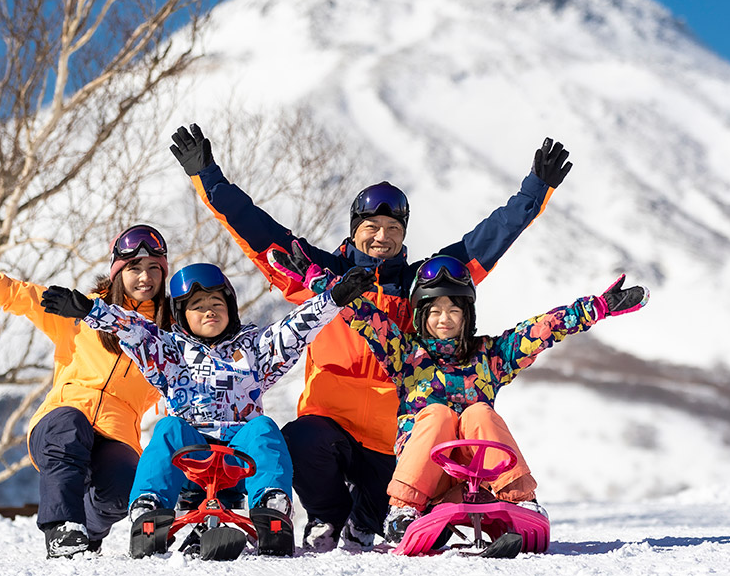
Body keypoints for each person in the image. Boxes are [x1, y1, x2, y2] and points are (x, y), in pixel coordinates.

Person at [167, 122, 573, 550]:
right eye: (372, 227)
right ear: (355, 228)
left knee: (397, 497)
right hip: (329, 423)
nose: (382, 237)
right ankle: (327, 518)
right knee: (300, 440)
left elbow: (490, 239)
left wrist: (535, 189)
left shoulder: (424, 286)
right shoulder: (320, 276)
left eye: (393, 229)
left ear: (403, 236)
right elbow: (255, 230)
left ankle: (367, 519)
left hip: (394, 440)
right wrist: (207, 176)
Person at [272, 249, 648, 542]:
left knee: (478, 414)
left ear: (467, 315)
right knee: (436, 415)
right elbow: (363, 314)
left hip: (480, 479)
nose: (444, 318)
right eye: (434, 311)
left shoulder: (490, 356)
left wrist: (596, 308)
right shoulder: (406, 355)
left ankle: (521, 503)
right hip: (426, 480)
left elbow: (540, 331)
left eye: (454, 309)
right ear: (421, 317)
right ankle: (402, 512)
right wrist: (315, 278)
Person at [38, 262, 377, 556]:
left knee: (264, 428)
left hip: (240, 457)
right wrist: (91, 311)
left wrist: (333, 299)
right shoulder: (169, 352)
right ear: (182, 316)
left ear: (231, 308)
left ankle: (271, 507)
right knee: (168, 428)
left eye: (217, 303)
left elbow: (294, 328)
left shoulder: (254, 348)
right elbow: (133, 331)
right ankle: (149, 509)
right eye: (198, 306)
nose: (209, 310)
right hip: (190, 455)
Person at [0, 225, 171, 559]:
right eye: (134, 268)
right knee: (70, 428)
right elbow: (21, 296)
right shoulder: (81, 311)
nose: (145, 277)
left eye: (154, 268)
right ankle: (63, 527)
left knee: (121, 489)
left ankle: (85, 531)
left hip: (118, 432)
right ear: (118, 273)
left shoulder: (167, 336)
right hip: (62, 418)